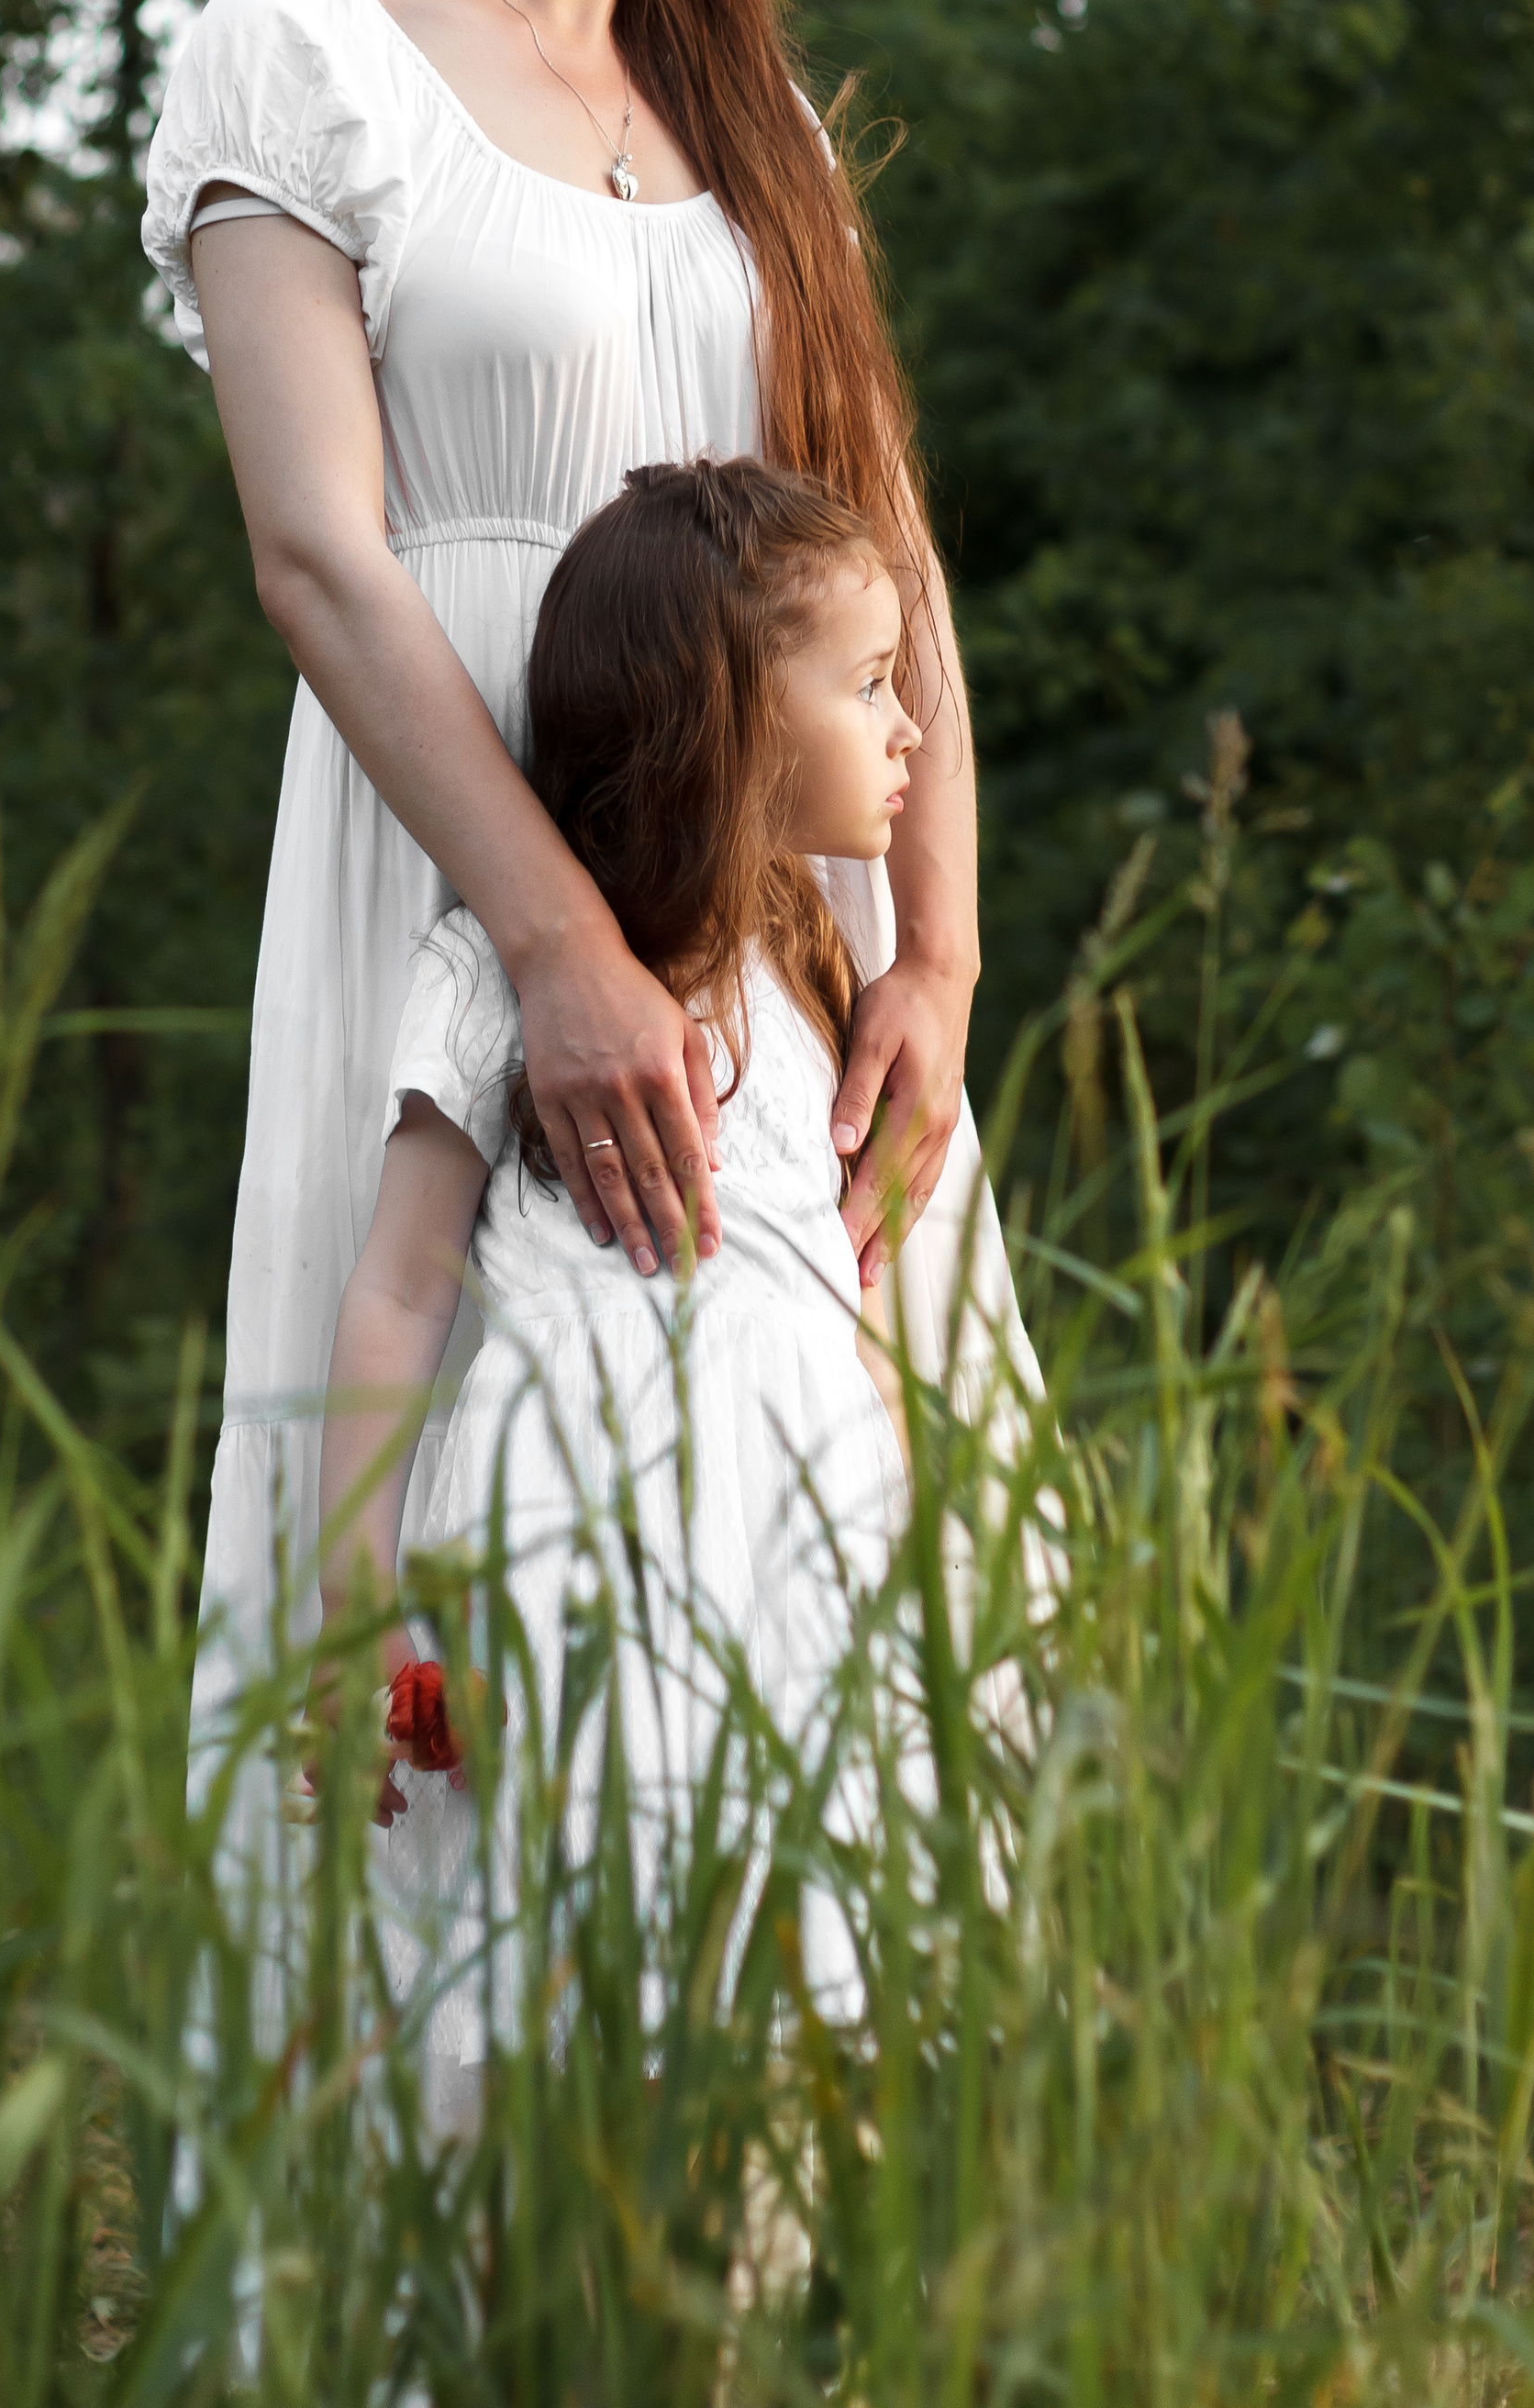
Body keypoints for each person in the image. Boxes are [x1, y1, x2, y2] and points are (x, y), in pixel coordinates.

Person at [139, 0, 1039, 1934]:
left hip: (798, 954)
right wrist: (548, 949)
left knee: (844, 1541)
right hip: (465, 870)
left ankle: (806, 2238)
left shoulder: (756, 132)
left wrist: (938, 962)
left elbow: (892, 562)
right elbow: (321, 550)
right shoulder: (302, 58)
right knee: (450, 1477)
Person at [306, 461, 920, 2115]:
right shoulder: (500, 983)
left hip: (804, 1556)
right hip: (584, 1556)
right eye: (867, 687)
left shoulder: (815, 971)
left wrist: (915, 1556)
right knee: (586, 1967)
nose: (910, 727)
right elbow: (396, 1295)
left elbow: (850, 1309)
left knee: (803, 1977)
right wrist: (355, 1611)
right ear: (729, 722)